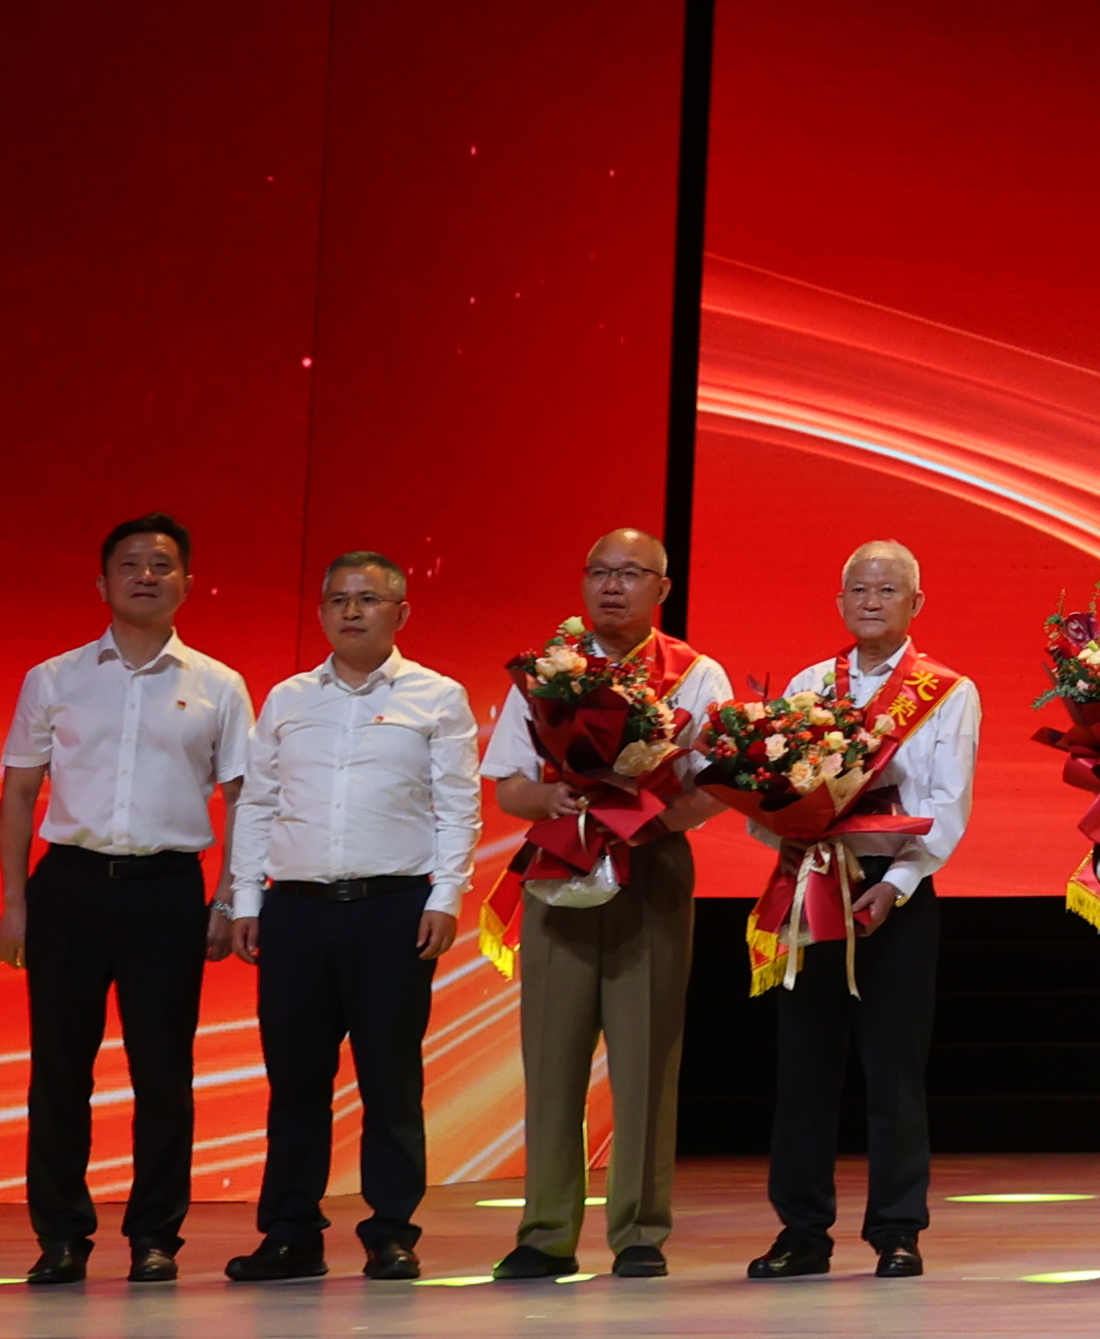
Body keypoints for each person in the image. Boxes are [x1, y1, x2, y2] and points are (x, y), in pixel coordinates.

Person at [0, 515, 254, 1286]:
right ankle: (61, 1236)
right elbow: (19, 793)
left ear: (187, 584)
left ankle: (155, 1237)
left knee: (164, 1071)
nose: (146, 576)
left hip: (167, 893)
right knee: (59, 1070)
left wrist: (229, 900)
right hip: (69, 887)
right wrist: (14, 900)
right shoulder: (54, 678)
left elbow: (244, 799)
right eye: (130, 564)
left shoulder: (219, 685)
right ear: (101, 582)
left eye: (162, 565)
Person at [480, 529, 731, 1282]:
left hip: (651, 867)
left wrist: (644, 818)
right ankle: (546, 1232)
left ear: (663, 588)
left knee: (646, 1056)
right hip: (561, 865)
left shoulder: (695, 674)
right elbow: (509, 785)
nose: (612, 586)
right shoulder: (547, 671)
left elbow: (718, 783)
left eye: (630, 573)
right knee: (551, 1056)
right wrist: (553, 799)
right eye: (599, 572)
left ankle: (640, 1231)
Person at [219, 551, 476, 1282]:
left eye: (368, 598)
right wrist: (246, 899)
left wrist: (445, 897)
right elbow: (258, 803)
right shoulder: (288, 698)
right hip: (295, 909)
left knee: (390, 1082)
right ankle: (291, 1234)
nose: (352, 611)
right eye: (338, 599)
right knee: (295, 1083)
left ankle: (390, 1231)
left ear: (401, 612)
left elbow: (458, 805)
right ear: (322, 613)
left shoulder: (437, 696)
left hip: (392, 910)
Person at [751, 539, 983, 1282]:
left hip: (895, 889)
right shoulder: (810, 683)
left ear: (917, 603)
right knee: (804, 1065)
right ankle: (801, 1232)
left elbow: (948, 802)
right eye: (859, 589)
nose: (872, 601)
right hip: (815, 879)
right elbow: (773, 785)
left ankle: (896, 1229)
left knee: (894, 1069)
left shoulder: (949, 691)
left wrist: (899, 883)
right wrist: (783, 838)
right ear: (840, 601)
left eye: (888, 589)